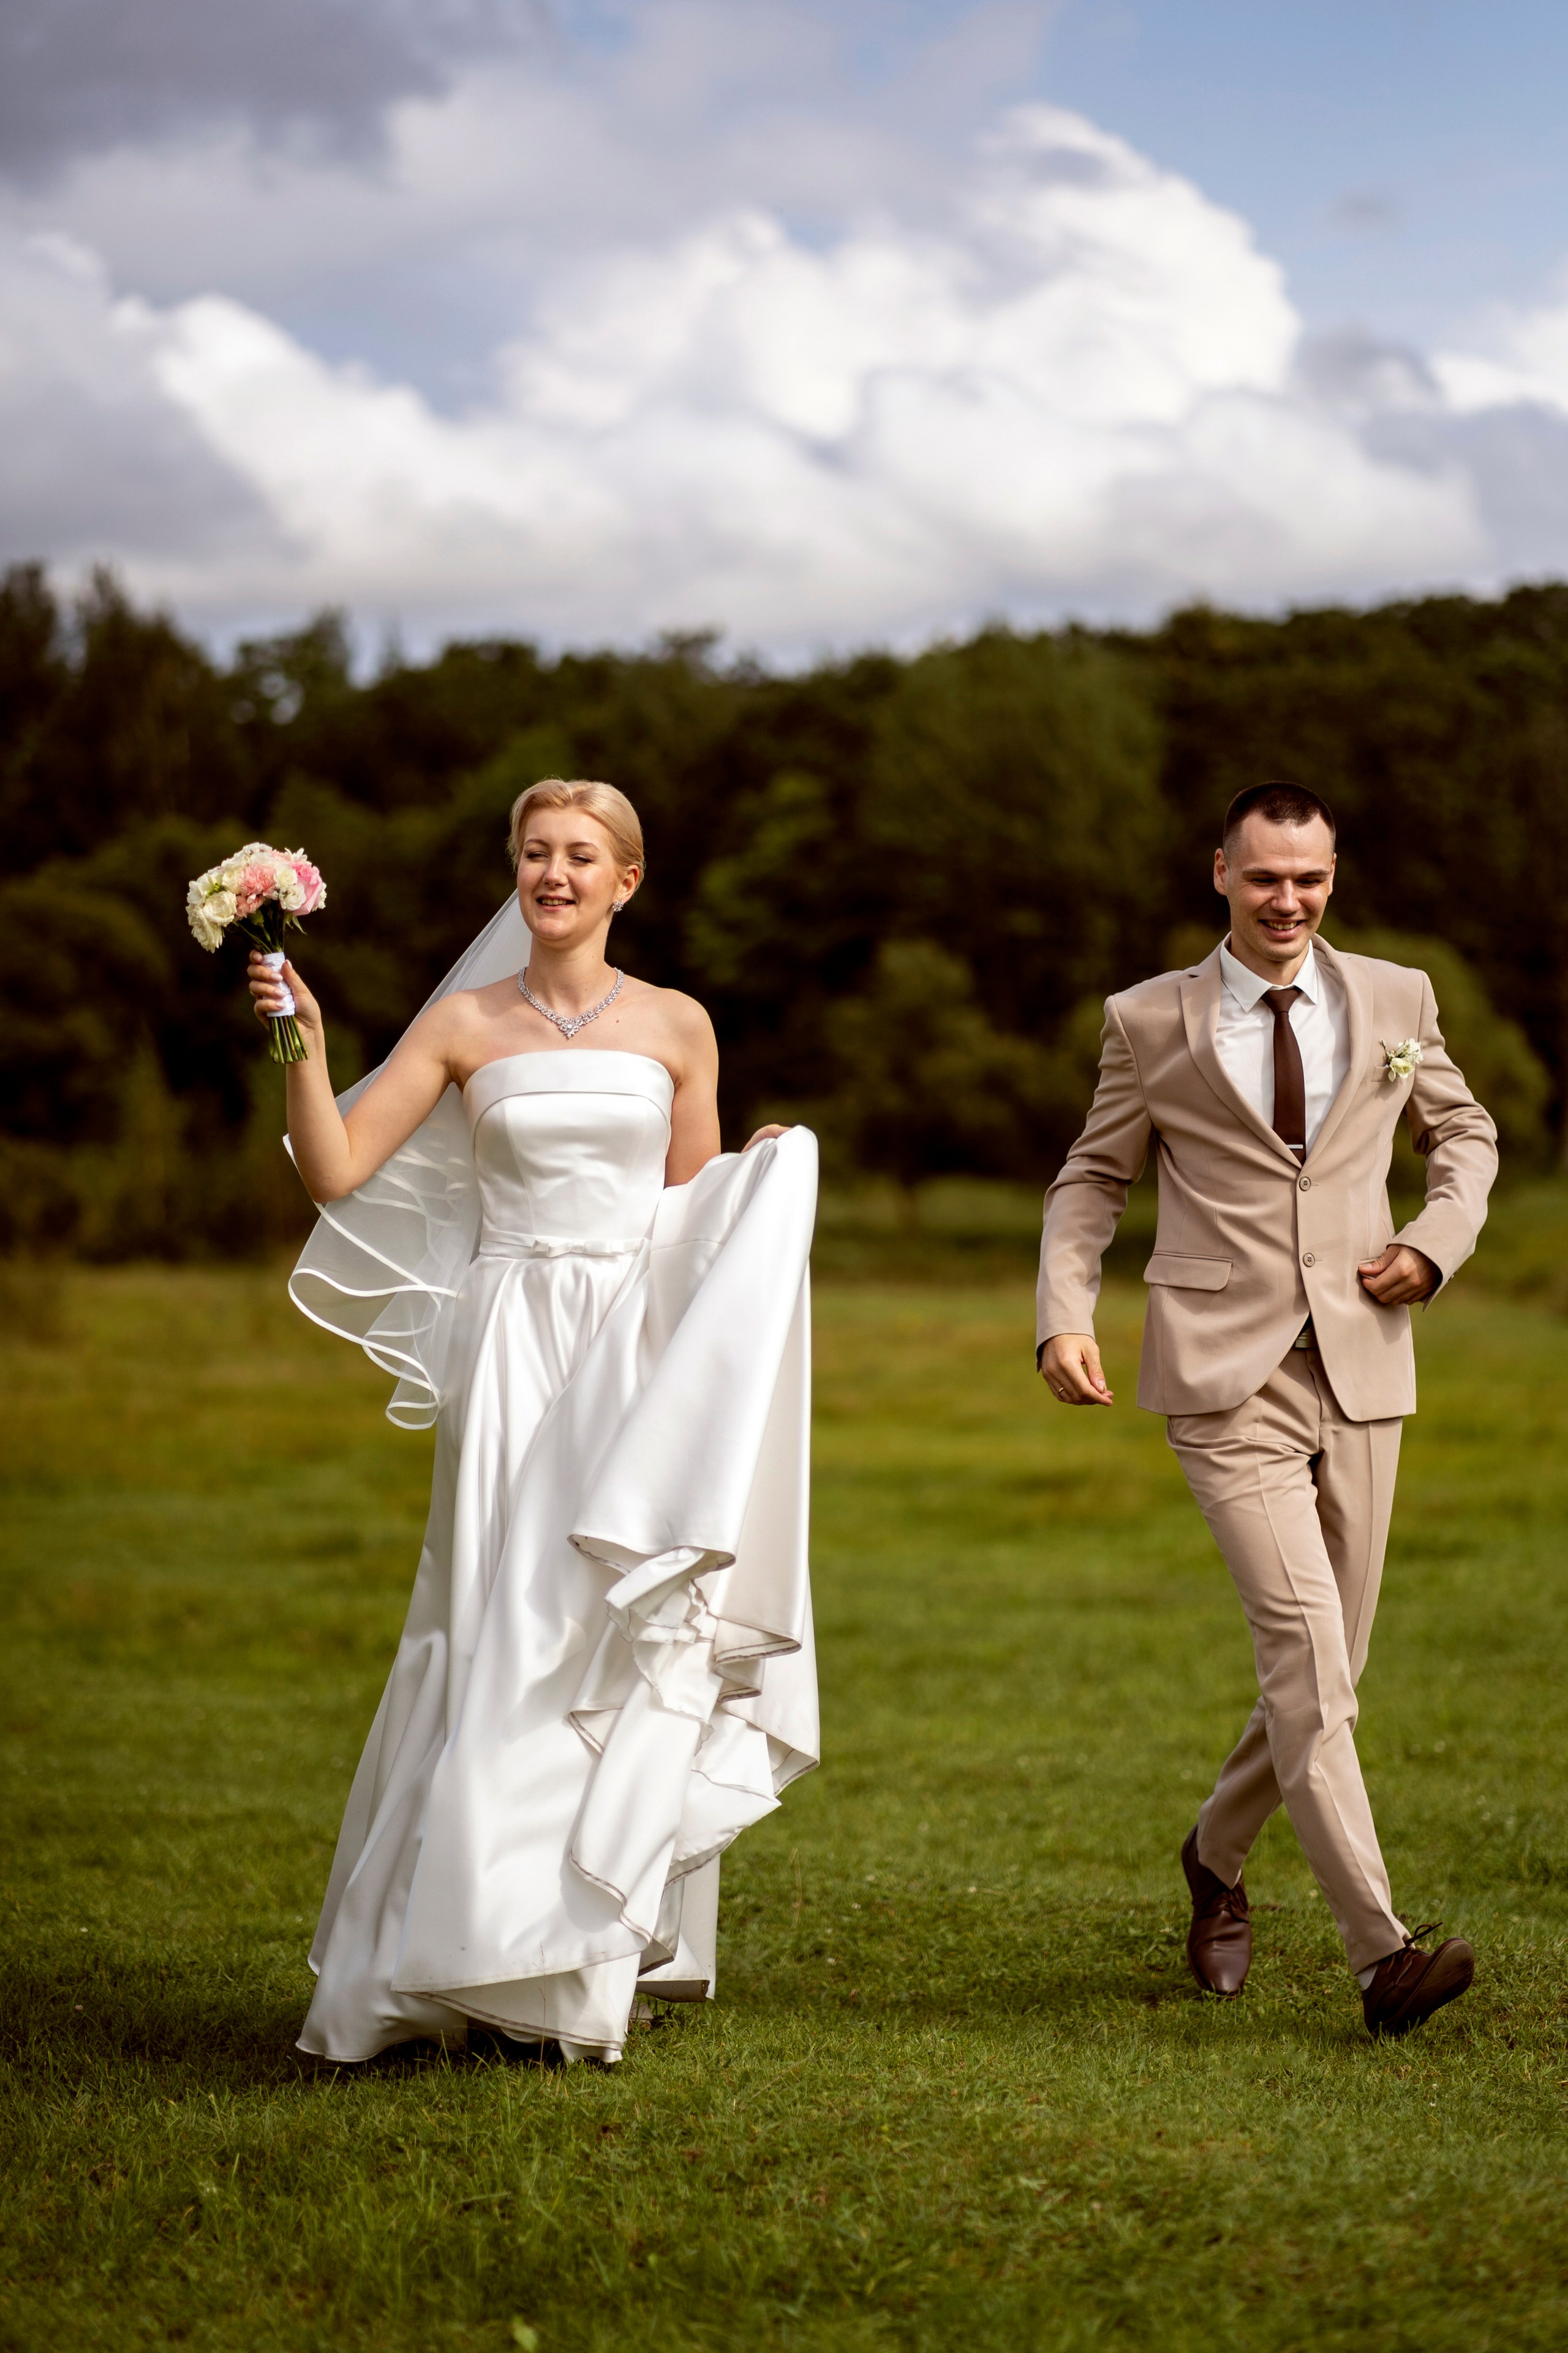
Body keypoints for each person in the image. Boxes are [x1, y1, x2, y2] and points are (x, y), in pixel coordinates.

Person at [250, 778, 819, 2066]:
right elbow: (337, 1169)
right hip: (511, 1347)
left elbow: (693, 1215)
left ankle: (559, 1975)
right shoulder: (462, 1023)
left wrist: (761, 1174)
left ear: (626, 880)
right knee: (498, 1621)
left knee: (602, 1634)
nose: (551, 873)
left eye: (579, 855)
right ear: (513, 870)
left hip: (628, 1355)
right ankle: (452, 1957)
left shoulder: (679, 1026)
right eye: (533, 853)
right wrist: (303, 1044)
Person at [1036, 782, 1498, 2039]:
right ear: (1219, 874)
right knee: (1305, 1655)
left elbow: (1462, 1134)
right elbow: (1091, 1176)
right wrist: (1060, 1310)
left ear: (1330, 875)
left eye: (1307, 878)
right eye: (1261, 878)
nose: (1285, 900)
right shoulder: (1147, 1019)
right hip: (1218, 1370)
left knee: (1332, 1668)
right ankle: (1380, 1953)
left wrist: (1431, 1242)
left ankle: (1213, 1849)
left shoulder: (1396, 997)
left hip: (1360, 1360)